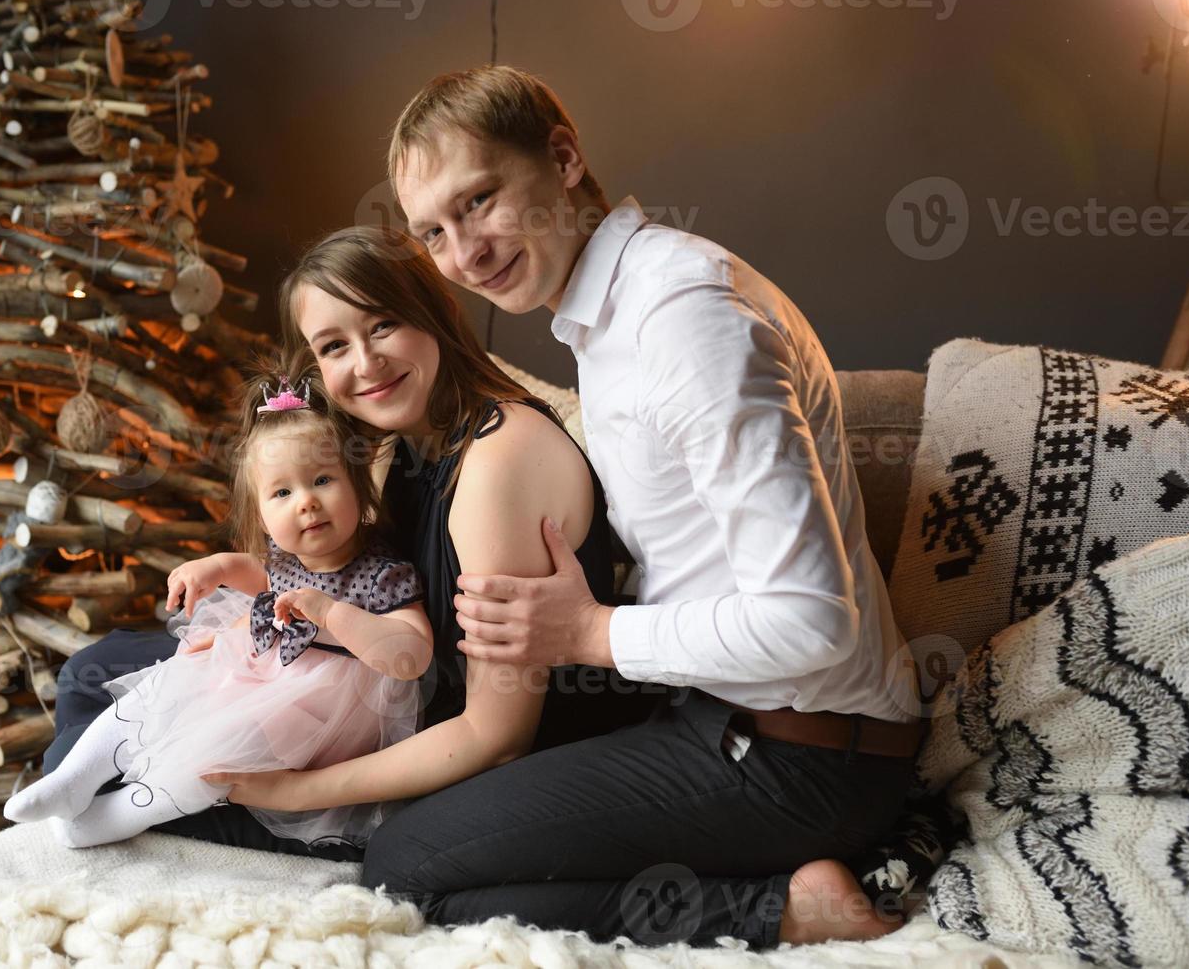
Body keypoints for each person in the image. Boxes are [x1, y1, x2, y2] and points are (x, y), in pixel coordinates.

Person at [352, 64, 926, 949]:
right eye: (433, 231)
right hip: (725, 721)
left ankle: (783, 909)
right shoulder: (606, 320)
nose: (463, 254)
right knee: (430, 820)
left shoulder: (683, 318)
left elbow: (815, 624)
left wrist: (588, 635)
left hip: (802, 760)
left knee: (407, 871)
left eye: (479, 201)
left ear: (565, 157)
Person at [38, 225, 655, 862]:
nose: (365, 365)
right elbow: (344, 587)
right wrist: (239, 653)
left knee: (119, 762)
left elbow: (495, 737)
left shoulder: (498, 461)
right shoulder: (409, 440)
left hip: (442, 742)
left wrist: (297, 792)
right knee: (98, 668)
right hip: (364, 675)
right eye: (335, 345)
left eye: (383, 324)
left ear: (433, 311)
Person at [4, 362, 430, 849]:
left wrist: (332, 614)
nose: (306, 503)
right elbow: (258, 571)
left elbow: (411, 654)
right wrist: (216, 568)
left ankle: (119, 814)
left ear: (360, 487)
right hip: (255, 666)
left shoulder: (382, 575)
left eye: (323, 480)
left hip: (316, 710)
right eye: (283, 492)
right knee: (168, 685)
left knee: (216, 756)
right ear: (264, 517)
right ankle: (76, 776)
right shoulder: (285, 557)